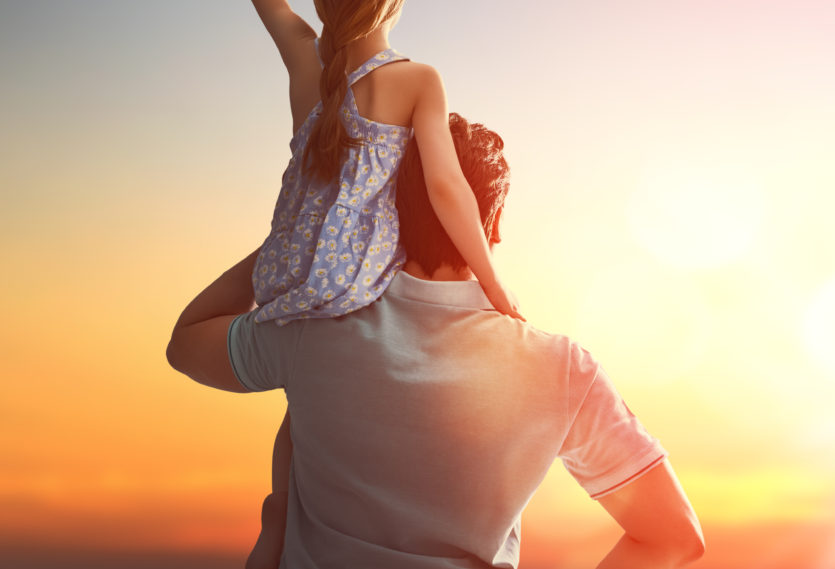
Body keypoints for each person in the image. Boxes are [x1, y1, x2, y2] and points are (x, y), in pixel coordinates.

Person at [152, 0, 523, 567]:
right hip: (350, 296)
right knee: (311, 407)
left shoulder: (304, 59)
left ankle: (278, 524)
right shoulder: (416, 79)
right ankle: (293, 517)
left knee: (225, 361)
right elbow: (448, 190)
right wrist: (494, 287)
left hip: (285, 284)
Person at [167, 113, 705, 568]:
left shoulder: (316, 325)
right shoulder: (562, 369)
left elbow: (187, 342)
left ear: (383, 215)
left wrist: (297, 241)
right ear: (491, 227)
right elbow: (674, 535)